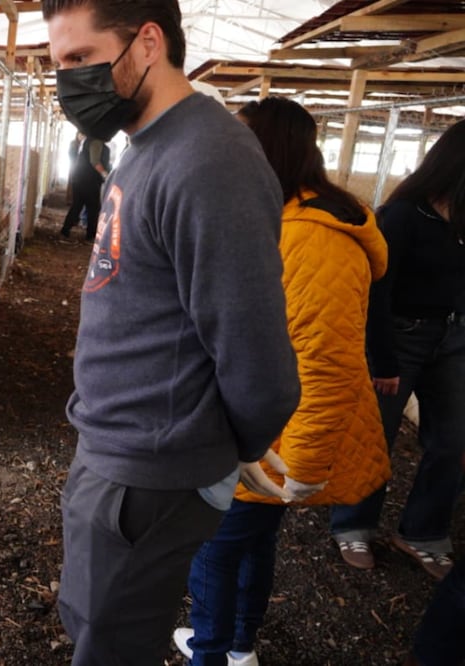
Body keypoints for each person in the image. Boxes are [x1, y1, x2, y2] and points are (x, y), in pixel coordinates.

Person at [42, 1, 301, 664]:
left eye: (78, 58)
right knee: (94, 621)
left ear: (147, 42)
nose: (67, 79)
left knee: (113, 644)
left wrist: (233, 442)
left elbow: (253, 349)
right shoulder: (150, 144)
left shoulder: (209, 159)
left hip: (152, 470)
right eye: (58, 64)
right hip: (121, 452)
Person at [171, 96, 391, 666]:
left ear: (267, 151)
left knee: (215, 548)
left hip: (271, 436)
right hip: (261, 424)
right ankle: (237, 647)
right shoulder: (282, 215)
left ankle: (211, 653)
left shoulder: (314, 236)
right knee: (248, 540)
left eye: (237, 142)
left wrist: (303, 467)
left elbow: (326, 362)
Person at [330, 118, 465, 580]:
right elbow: (377, 289)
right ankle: (353, 522)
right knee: (375, 437)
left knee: (453, 439)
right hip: (401, 335)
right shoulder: (405, 215)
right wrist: (382, 358)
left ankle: (423, 530)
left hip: (453, 337)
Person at [61, 132, 109, 240]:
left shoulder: (87, 141)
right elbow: (95, 161)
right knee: (93, 207)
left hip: (80, 177)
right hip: (88, 179)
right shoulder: (96, 142)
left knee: (77, 204)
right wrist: (105, 174)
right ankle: (90, 235)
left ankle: (65, 229)